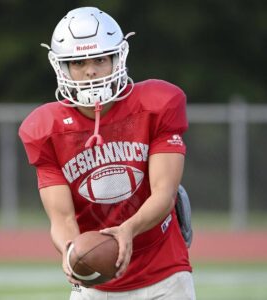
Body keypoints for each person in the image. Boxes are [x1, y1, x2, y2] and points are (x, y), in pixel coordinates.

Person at [19, 6, 196, 300]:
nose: (90, 70)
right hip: (94, 283)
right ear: (62, 68)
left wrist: (127, 230)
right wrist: (70, 250)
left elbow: (164, 194)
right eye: (78, 62)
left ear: (118, 58)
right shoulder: (45, 129)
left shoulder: (157, 103)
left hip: (164, 273)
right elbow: (62, 219)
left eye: (100, 59)